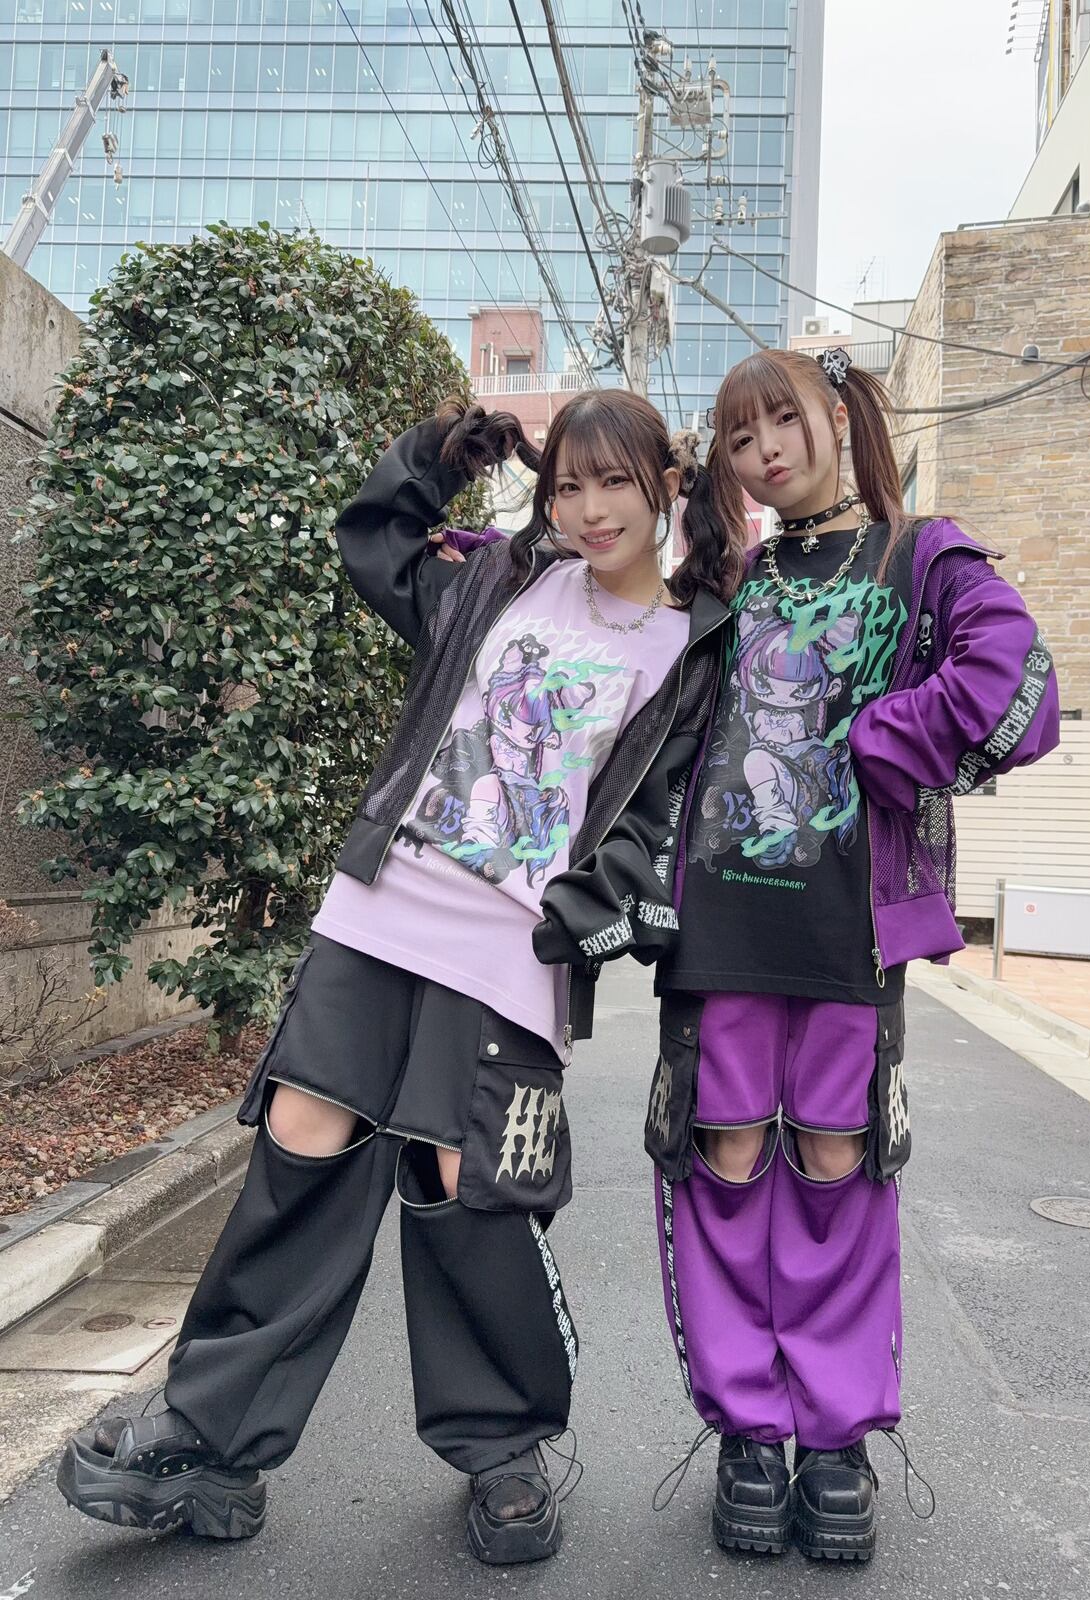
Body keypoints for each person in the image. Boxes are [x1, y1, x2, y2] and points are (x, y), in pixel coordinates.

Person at [56, 390, 740, 1565]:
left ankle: (504, 1447)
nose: (589, 510)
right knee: (303, 1134)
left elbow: (661, 814)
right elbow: (373, 543)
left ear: (663, 486)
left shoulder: (689, 644)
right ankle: (214, 1439)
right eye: (568, 485)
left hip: (511, 948)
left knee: (469, 1182)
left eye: (614, 483)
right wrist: (435, 456)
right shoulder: (502, 581)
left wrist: (590, 908)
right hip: (382, 910)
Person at [645, 347, 1060, 1562]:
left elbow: (1020, 683)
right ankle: (748, 1431)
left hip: (849, 930)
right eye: (739, 437)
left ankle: (834, 1441)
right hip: (718, 927)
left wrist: (885, 738)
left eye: (782, 419)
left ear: (835, 413)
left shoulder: (920, 555)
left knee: (838, 1159)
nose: (764, 450)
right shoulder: (728, 578)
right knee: (723, 1156)